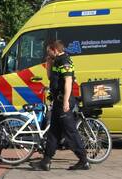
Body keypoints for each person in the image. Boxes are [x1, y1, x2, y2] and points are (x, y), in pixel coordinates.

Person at [32, 39, 90, 172]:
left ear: (55, 49)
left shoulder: (64, 61)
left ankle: (83, 160)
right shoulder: (56, 61)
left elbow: (68, 82)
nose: (48, 53)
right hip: (58, 102)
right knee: (53, 132)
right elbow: (50, 77)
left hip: (64, 101)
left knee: (70, 132)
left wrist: (65, 102)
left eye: (49, 51)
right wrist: (48, 63)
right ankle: (46, 161)